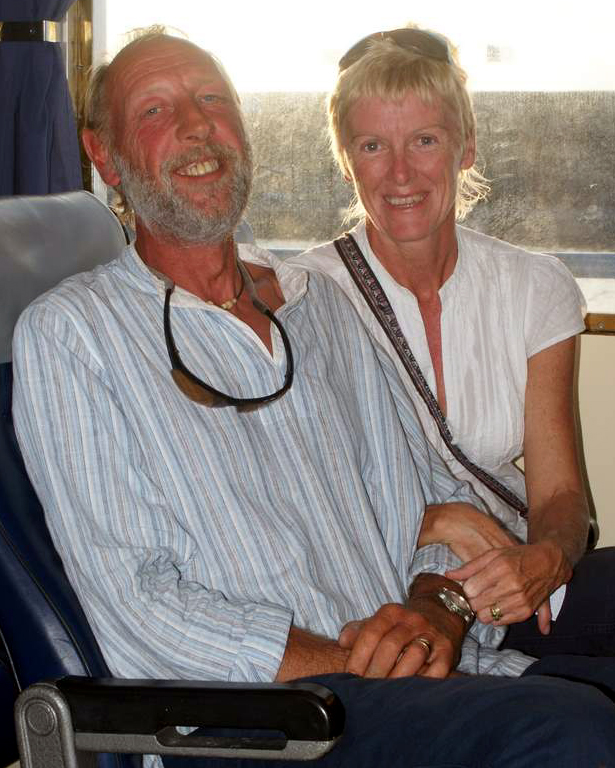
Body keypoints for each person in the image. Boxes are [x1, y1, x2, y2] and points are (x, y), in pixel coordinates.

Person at [11, 29, 615, 768]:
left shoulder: (315, 307)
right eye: (156, 111)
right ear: (104, 156)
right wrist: (345, 663)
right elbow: (141, 606)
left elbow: (417, 497)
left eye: (212, 100)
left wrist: (434, 610)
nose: (197, 126)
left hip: (411, 673)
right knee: (573, 730)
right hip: (271, 720)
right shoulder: (75, 336)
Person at [290, 24, 615, 660]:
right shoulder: (302, 297)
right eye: (374, 145)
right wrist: (433, 519)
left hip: (507, 579)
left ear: (465, 148)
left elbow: (558, 494)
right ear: (346, 159)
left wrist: (544, 559)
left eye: (426, 140)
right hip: (381, 590)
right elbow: (299, 495)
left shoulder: (533, 285)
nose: (401, 171)